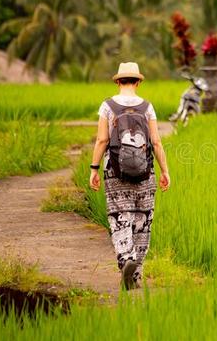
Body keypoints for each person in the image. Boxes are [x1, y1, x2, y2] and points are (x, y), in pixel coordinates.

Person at [89, 62, 170, 290]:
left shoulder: (107, 106)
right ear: (138, 81)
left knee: (119, 216)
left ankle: (126, 259)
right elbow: (156, 141)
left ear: (117, 81)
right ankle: (136, 276)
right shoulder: (147, 107)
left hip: (114, 172)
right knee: (142, 220)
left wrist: (94, 168)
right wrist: (165, 171)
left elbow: (102, 140)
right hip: (145, 172)